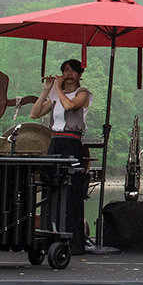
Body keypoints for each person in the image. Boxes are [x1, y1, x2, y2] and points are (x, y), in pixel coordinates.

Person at [31, 59, 93, 253]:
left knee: (71, 189)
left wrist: (56, 89)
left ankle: (73, 242)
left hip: (72, 142)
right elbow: (35, 113)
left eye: (72, 70)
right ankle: (50, 237)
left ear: (79, 74)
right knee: (52, 188)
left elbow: (69, 106)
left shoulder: (82, 93)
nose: (68, 73)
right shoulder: (56, 95)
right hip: (56, 141)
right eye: (65, 70)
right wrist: (46, 90)